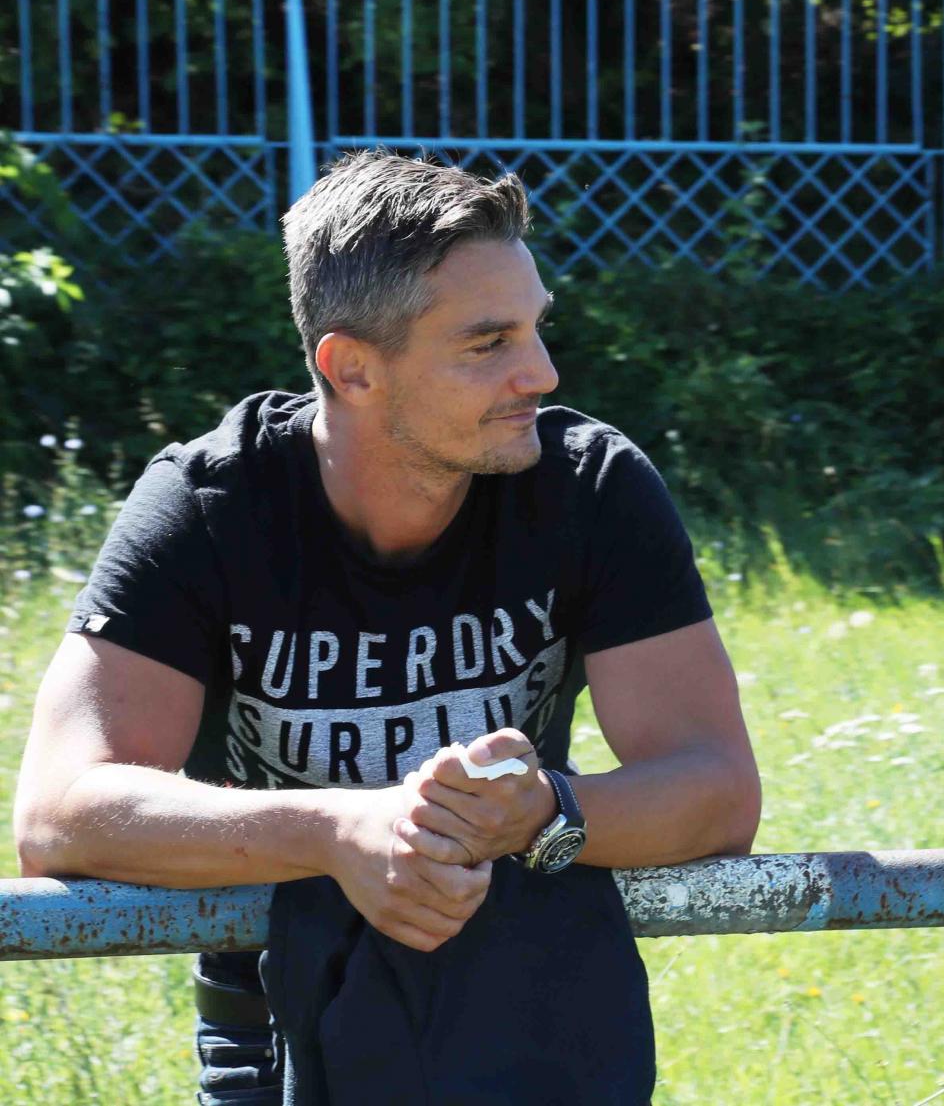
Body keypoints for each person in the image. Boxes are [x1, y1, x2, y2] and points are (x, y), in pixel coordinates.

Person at [11, 150, 761, 1103]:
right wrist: (338, 829)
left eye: (537, 327)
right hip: (273, 1017)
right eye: (488, 343)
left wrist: (545, 810)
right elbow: (58, 815)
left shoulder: (590, 487)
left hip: (526, 1006)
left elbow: (719, 791)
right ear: (351, 367)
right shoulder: (210, 507)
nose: (541, 371)